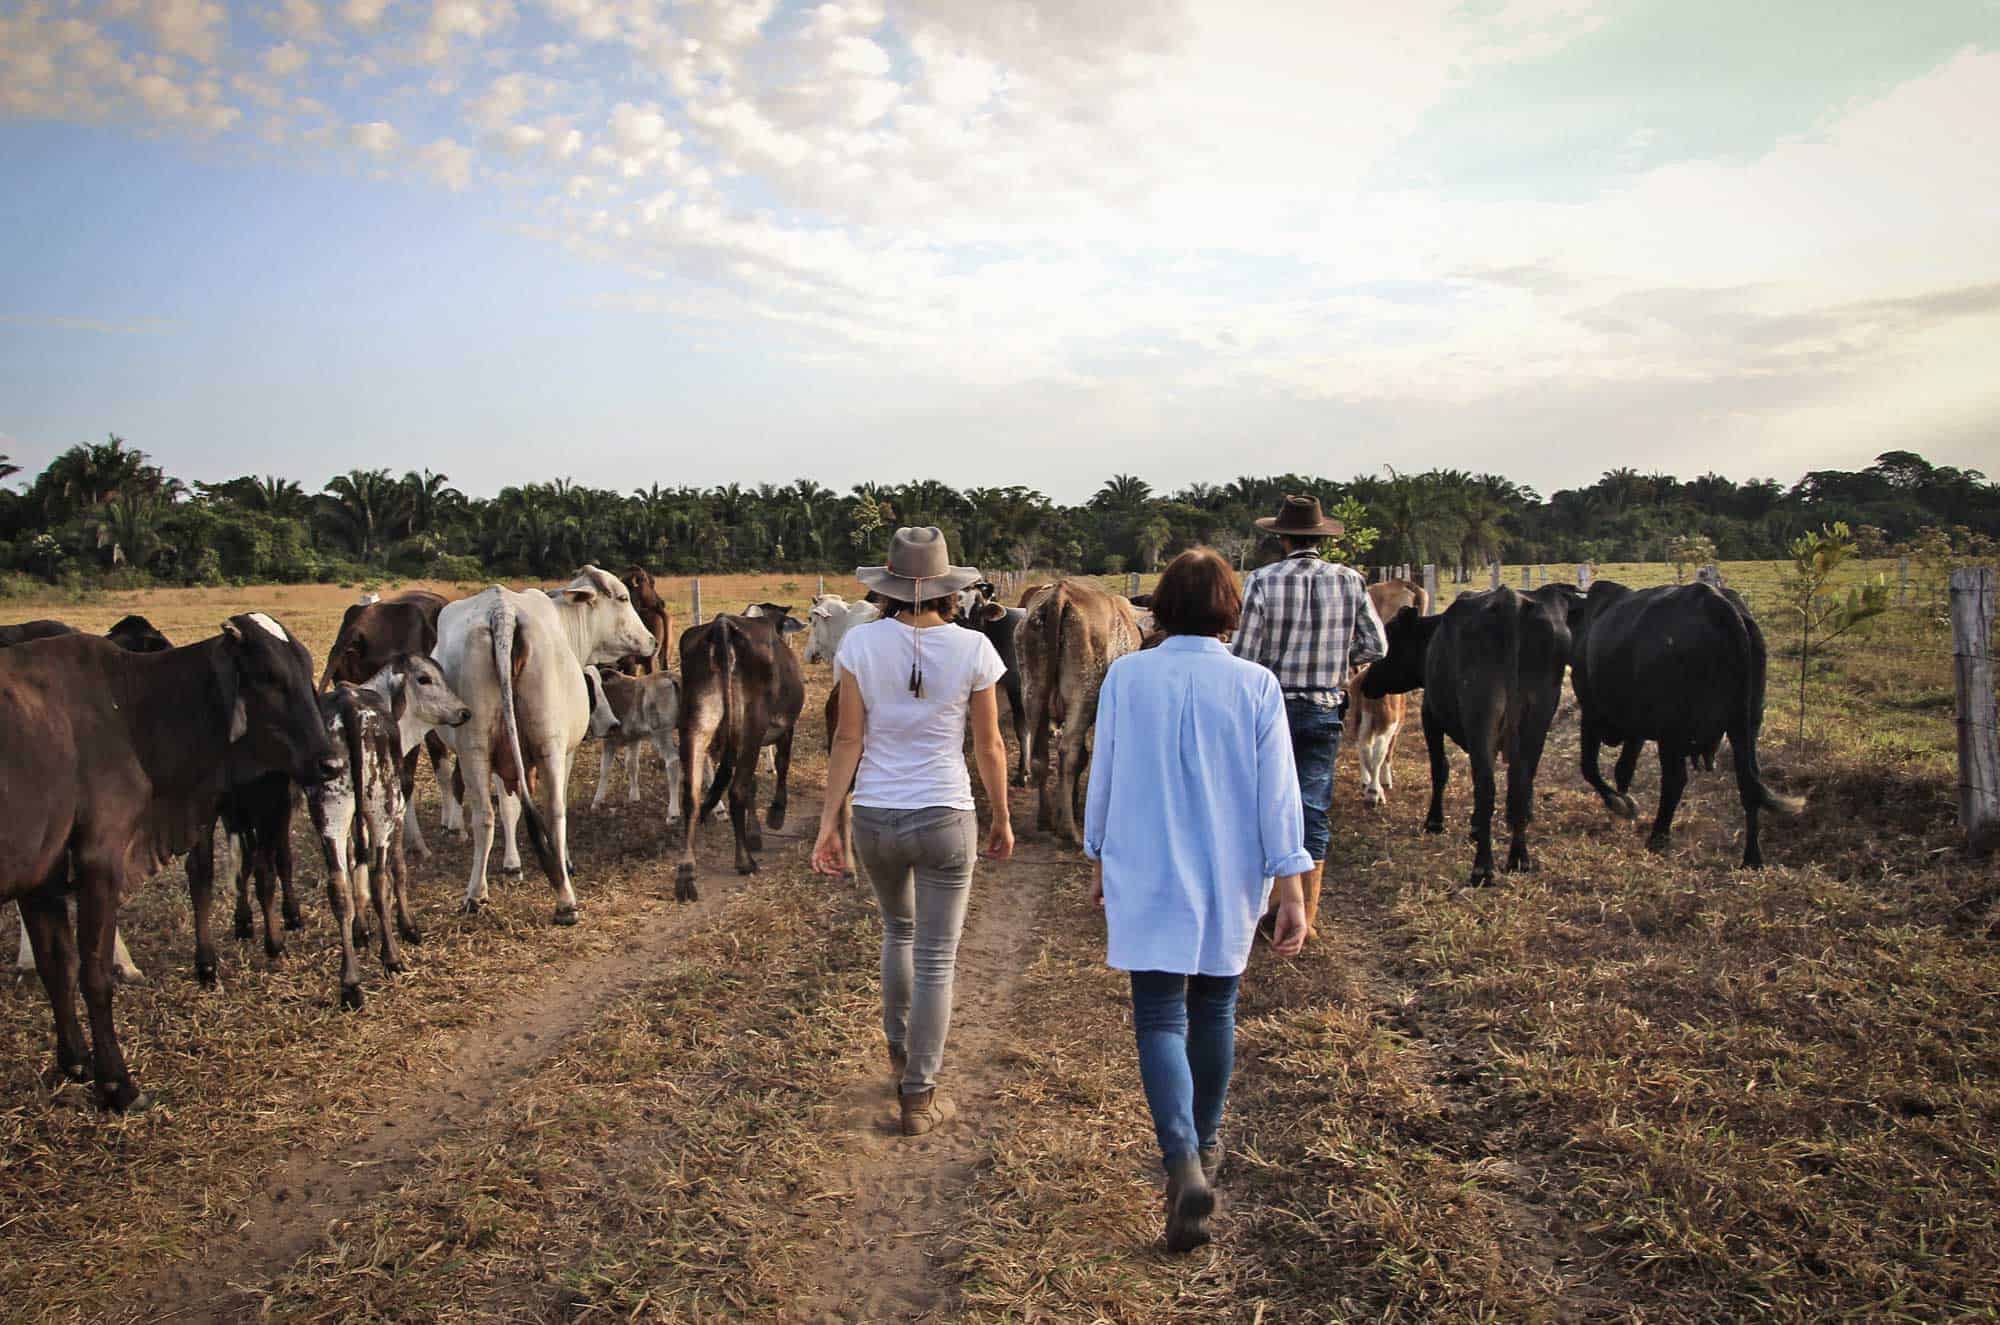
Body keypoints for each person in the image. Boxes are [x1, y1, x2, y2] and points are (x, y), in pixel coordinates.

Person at [1083, 547, 1311, 1253]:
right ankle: (1205, 1148)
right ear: (1229, 609)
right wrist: (1291, 881)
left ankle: (1179, 1155)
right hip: (1227, 869)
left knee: (1157, 1012)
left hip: (1146, 864)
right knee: (1215, 1004)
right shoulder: (1256, 684)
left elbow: (1106, 770)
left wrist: (1097, 853)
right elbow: (1279, 791)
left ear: (1161, 605)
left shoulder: (1127, 676)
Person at [812, 526, 1015, 1136]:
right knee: (936, 957)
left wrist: (830, 822)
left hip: (876, 815)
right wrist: (1002, 816)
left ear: (889, 588)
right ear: (949, 589)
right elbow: (989, 744)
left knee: (897, 930)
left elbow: (848, 739)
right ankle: (919, 1093)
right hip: (946, 816)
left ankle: (898, 1048)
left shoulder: (859, 647)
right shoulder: (975, 649)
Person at [1231, 494, 1386, 937]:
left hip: (1271, 706)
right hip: (1323, 706)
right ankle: (1306, 914)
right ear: (1321, 538)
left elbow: (1245, 653)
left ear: (1281, 538)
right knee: (1312, 806)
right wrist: (1340, 661)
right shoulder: (1350, 580)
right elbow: (1376, 646)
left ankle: (1269, 903)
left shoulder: (1262, 580)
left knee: (1265, 801)